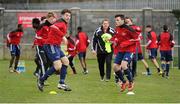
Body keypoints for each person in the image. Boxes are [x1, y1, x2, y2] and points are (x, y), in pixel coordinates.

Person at [37, 9, 71, 92]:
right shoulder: (61, 22)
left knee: (66, 62)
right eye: (66, 15)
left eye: (69, 16)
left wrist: (62, 38)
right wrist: (63, 36)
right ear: (62, 15)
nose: (68, 17)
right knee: (58, 66)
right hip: (50, 45)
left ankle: (61, 83)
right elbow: (53, 26)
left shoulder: (64, 23)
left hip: (56, 46)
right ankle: (41, 80)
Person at [112, 14, 138, 92]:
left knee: (123, 65)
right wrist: (110, 40)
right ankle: (124, 82)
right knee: (115, 67)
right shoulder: (117, 28)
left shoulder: (129, 29)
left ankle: (131, 82)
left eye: (117, 20)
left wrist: (126, 43)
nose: (116, 22)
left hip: (130, 50)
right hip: (121, 50)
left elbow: (137, 38)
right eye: (115, 20)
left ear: (122, 20)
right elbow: (116, 37)